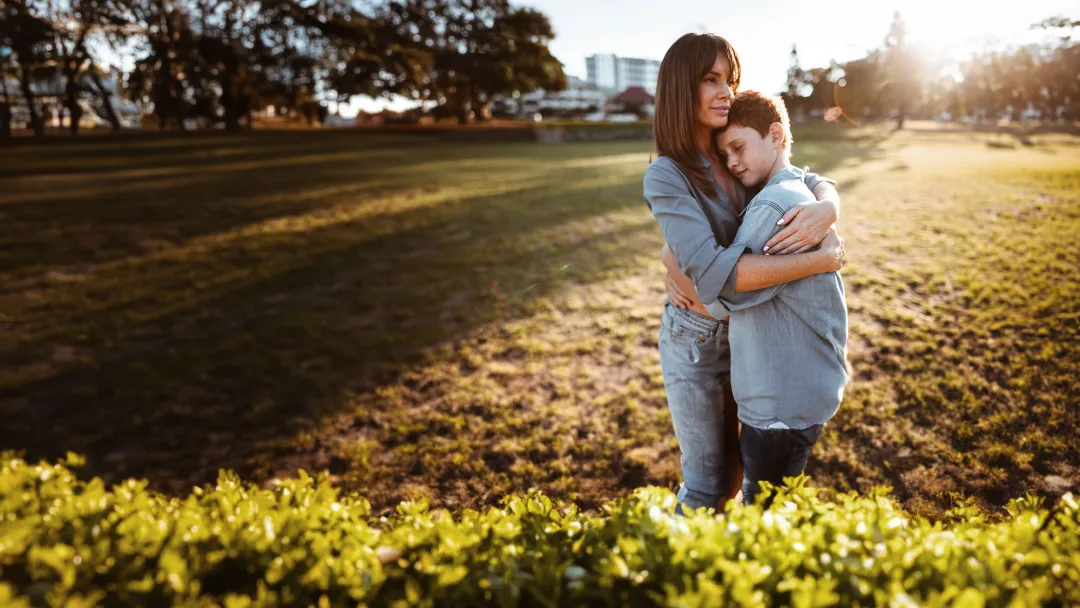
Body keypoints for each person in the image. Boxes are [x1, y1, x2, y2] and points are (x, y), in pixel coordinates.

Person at [643, 33, 846, 516]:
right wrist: (821, 258)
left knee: (739, 477)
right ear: (680, 87)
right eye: (710, 80)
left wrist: (829, 206)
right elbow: (714, 272)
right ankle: (673, 581)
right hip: (697, 335)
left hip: (750, 334)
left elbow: (799, 172)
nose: (725, 91)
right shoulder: (667, 173)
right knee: (708, 483)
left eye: (729, 79)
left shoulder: (732, 152)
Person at [699, 90, 849, 505]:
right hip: (801, 389)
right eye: (724, 154)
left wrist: (672, 267)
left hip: (779, 402)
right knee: (778, 502)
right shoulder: (797, 187)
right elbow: (812, 176)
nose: (731, 162)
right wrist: (830, 200)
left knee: (763, 515)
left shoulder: (773, 206)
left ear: (776, 135)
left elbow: (724, 295)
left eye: (738, 147)